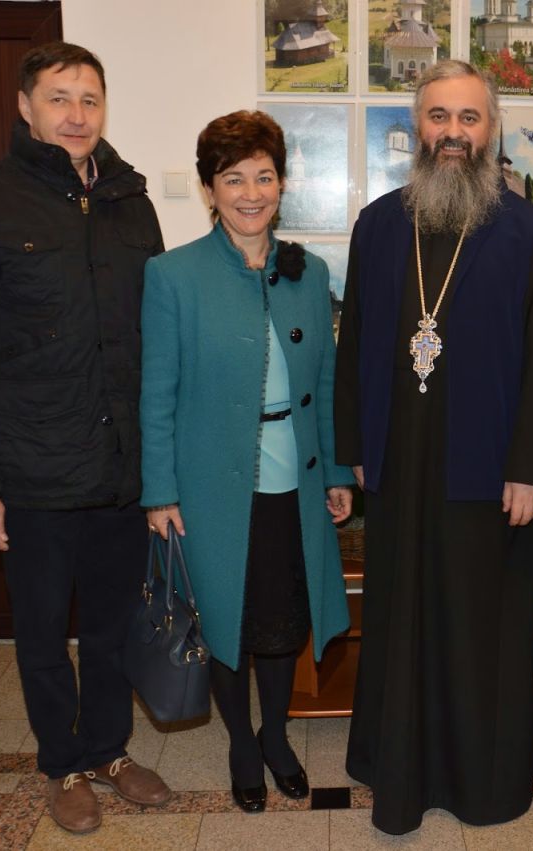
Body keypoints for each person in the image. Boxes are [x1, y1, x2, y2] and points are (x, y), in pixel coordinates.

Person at [0, 42, 172, 835]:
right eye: (59, 97)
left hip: (120, 470)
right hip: (30, 475)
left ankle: (109, 750)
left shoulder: (132, 200)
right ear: (25, 107)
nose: (76, 114)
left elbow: (156, 343)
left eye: (89, 99)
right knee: (41, 635)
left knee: (111, 628)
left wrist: (160, 468)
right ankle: (61, 764)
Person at [335, 59, 533, 835]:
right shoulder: (378, 224)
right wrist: (354, 445)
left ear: (490, 128)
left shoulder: (527, 230)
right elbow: (353, 345)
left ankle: (481, 778)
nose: (454, 132)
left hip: (489, 468)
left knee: (478, 627)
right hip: (398, 461)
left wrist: (530, 468)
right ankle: (398, 767)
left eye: (469, 117)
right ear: (418, 126)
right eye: (440, 116)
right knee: (400, 616)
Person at [139, 110, 354, 815]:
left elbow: (325, 382)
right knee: (225, 617)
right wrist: (159, 491)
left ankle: (276, 735)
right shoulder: (172, 275)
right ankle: (240, 742)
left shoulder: (308, 271)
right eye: (234, 179)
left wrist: (337, 473)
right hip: (210, 484)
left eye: (264, 176)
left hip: (295, 477)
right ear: (210, 190)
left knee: (282, 618)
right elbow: (156, 393)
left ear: (282, 184)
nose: (251, 193)